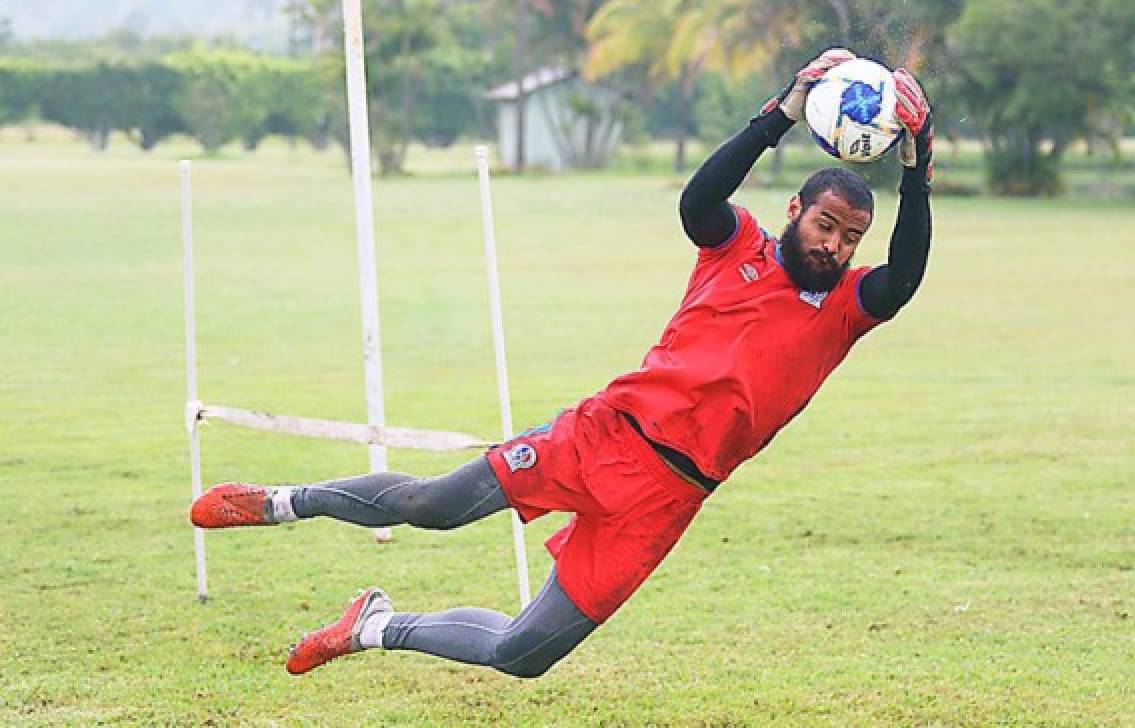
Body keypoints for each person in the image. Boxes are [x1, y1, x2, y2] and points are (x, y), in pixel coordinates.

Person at [190, 47, 934, 679]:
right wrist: (783, 109)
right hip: (605, 436)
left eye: (851, 237)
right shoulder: (734, 245)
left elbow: (903, 277)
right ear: (795, 212)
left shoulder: (844, 309)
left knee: (524, 653)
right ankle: (284, 501)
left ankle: (374, 625)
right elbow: (697, 199)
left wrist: (917, 160)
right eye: (826, 224)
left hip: (669, 499)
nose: (835, 245)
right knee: (434, 505)